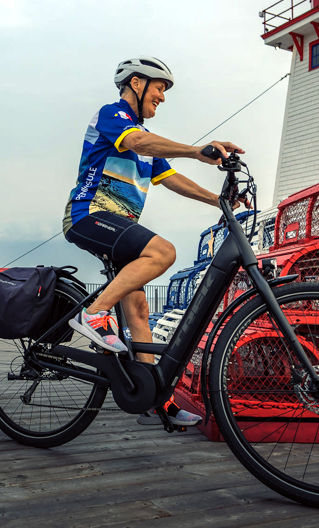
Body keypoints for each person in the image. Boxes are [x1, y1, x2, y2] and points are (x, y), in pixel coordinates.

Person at [62, 56, 243, 425]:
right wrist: (197, 149)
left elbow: (171, 178)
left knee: (140, 310)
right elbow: (140, 139)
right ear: (136, 83)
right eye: (160, 87)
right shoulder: (112, 115)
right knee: (163, 252)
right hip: (89, 215)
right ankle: (92, 314)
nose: (162, 95)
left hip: (118, 225)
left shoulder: (145, 143)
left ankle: (154, 400)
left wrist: (219, 201)